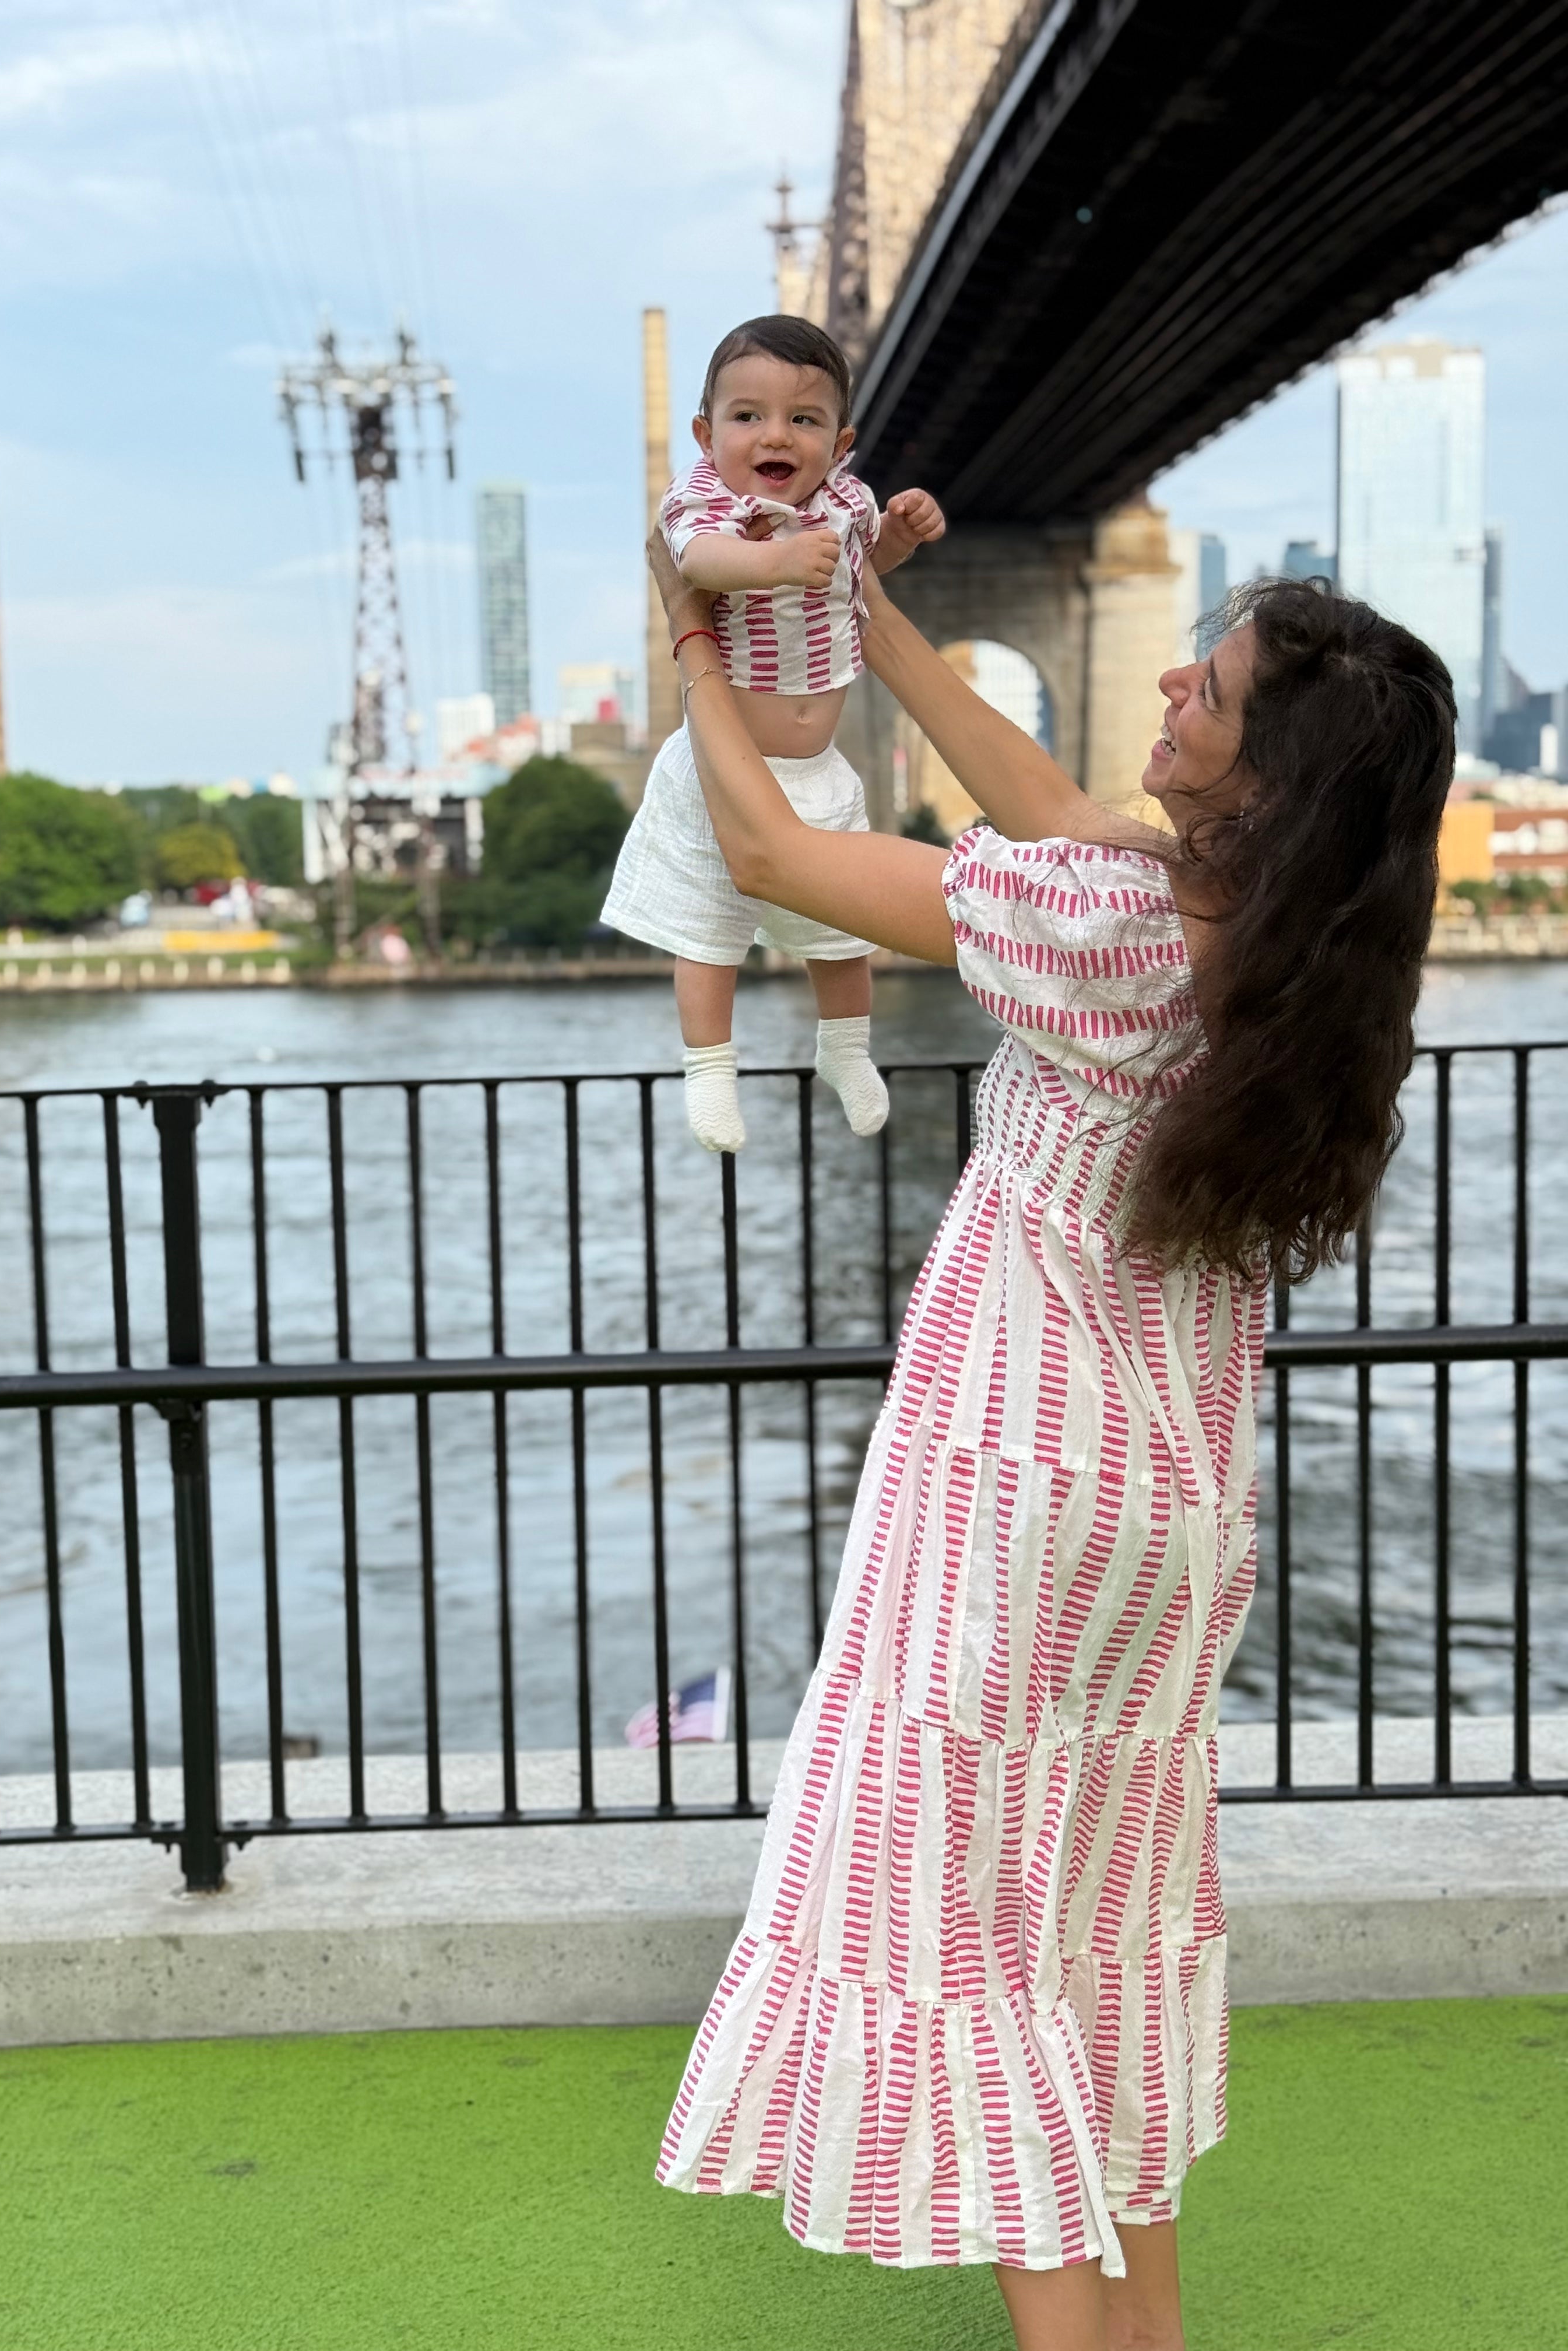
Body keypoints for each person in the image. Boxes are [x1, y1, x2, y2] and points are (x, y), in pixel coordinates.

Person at [647, 537, 1455, 2351]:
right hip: (1169, 1508)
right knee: (1097, 1919)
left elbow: (778, 860)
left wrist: (697, 644)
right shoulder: (1283, 954)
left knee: (965, 1928)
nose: (1172, 684)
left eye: (1213, 687)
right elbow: (1051, 807)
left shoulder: (1108, 936)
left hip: (1017, 1482)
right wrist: (860, 620)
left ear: (1272, 771)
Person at [600, 315, 944, 1153]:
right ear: (706, 433)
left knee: (844, 928)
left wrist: (897, 536)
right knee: (708, 930)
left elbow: (862, 574)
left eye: (804, 419)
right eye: (747, 417)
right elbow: (700, 566)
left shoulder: (848, 504)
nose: (774, 436)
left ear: (842, 440)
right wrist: (776, 564)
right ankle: (710, 1070)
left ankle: (845, 1051)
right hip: (722, 764)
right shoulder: (703, 499)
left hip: (817, 766)